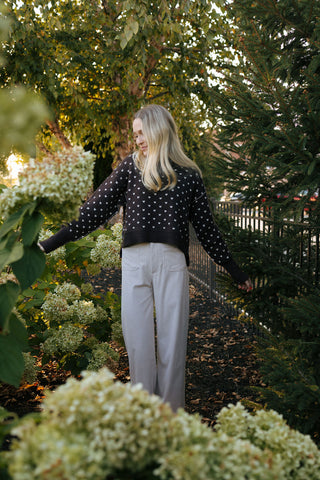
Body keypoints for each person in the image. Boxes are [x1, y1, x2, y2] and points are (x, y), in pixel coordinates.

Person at [39, 104, 252, 412]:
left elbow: (207, 229)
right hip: (135, 263)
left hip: (171, 263)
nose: (138, 139)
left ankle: (170, 417)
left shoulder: (189, 175)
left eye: (142, 133)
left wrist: (233, 269)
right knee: (138, 344)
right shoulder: (130, 168)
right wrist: (48, 244)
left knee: (172, 344)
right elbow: (92, 212)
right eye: (135, 133)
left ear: (159, 130)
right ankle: (142, 416)